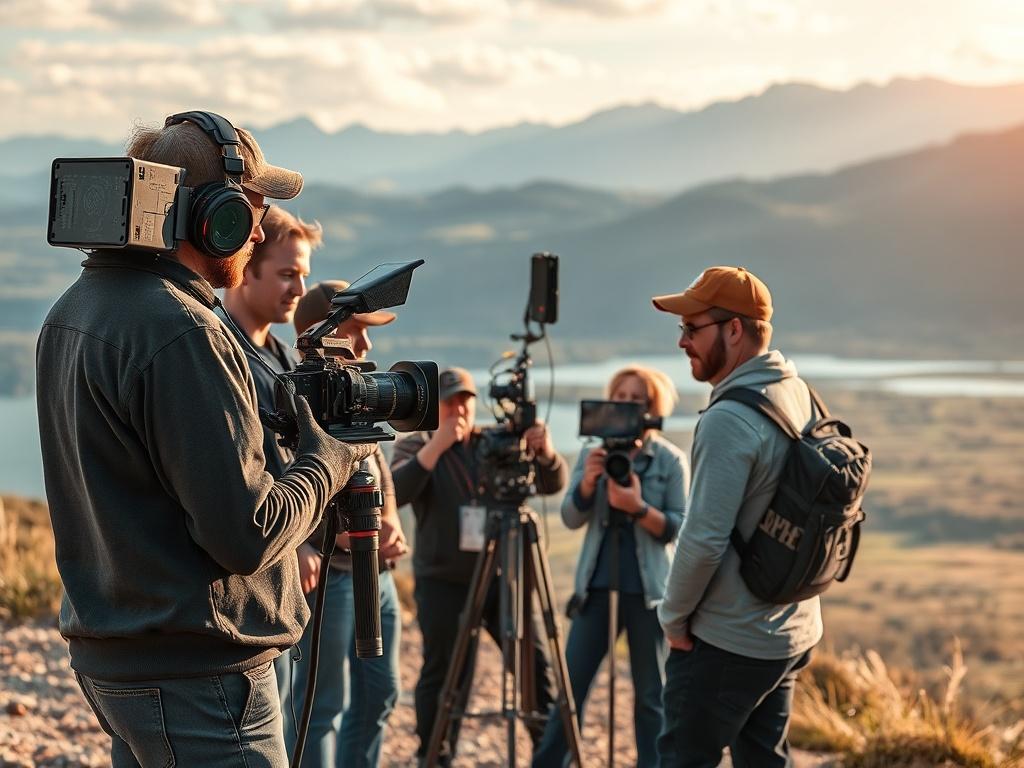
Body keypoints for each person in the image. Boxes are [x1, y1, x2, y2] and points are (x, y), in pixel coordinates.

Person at [36, 112, 374, 767]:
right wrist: (327, 459)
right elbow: (246, 532)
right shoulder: (183, 331)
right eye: (253, 208)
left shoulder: (74, 310)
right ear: (212, 216)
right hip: (201, 680)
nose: (257, 228)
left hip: (118, 658)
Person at [652, 266, 821, 768]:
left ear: (734, 329)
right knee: (764, 759)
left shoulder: (729, 418)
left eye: (691, 328)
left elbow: (702, 540)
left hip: (729, 639)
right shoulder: (796, 390)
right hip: (790, 628)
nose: (682, 341)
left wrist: (673, 618)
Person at [391, 368, 567, 765]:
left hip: (503, 578)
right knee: (447, 674)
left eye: (465, 400)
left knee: (534, 667)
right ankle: (434, 754)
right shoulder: (417, 444)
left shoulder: (494, 442)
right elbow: (395, 491)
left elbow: (551, 482)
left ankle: (550, 753)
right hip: (443, 582)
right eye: (450, 401)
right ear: (434, 407)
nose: (459, 409)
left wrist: (547, 454)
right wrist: (436, 446)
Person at [277, 280, 409, 768]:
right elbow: (277, 480)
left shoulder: (357, 395)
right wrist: (299, 547)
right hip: (329, 575)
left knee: (381, 694)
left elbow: (378, 467)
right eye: (357, 331)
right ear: (323, 333)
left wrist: (390, 518)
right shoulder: (293, 400)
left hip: (378, 574)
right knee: (322, 706)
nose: (367, 345)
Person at [532, 365, 689, 768]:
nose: (627, 406)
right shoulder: (592, 454)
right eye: (620, 397)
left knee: (651, 698)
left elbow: (678, 528)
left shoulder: (668, 460)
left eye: (637, 400)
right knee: (571, 692)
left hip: (650, 593)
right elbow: (570, 517)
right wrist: (588, 484)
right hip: (596, 589)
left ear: (652, 408)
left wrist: (637, 509)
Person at [220, 205, 319, 479]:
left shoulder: (286, 358)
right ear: (246, 267)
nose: (300, 290)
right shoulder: (220, 357)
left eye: (304, 277)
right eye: (288, 275)